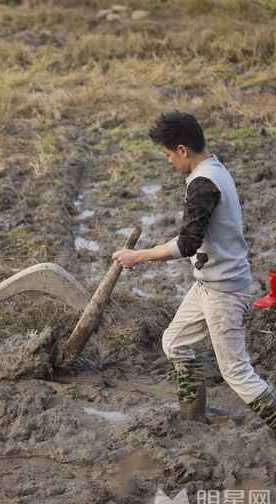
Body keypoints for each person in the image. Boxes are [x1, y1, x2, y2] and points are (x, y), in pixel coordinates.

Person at [112, 111, 275, 433]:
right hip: (208, 283)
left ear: (182, 149)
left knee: (237, 373)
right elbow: (193, 236)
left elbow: (187, 245)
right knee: (174, 342)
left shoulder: (203, 183)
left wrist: (139, 256)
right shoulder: (213, 169)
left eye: (168, 155)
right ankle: (194, 417)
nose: (170, 161)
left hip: (224, 290)